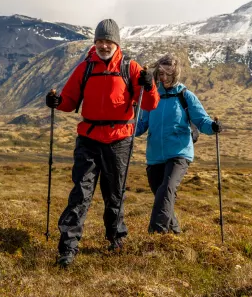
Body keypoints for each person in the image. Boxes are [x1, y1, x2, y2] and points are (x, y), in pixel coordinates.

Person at [45, 19, 159, 267]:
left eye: (108, 41)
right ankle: (68, 248)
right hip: (88, 138)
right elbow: (69, 100)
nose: (104, 45)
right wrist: (56, 102)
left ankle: (115, 239)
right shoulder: (85, 68)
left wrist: (149, 85)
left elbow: (150, 104)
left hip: (119, 140)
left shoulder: (131, 68)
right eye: (99, 41)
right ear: (95, 43)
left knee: (114, 193)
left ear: (116, 43)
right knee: (80, 194)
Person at [136, 54, 222, 234]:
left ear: (176, 74)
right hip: (154, 157)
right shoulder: (151, 97)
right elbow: (141, 124)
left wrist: (213, 127)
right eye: (160, 73)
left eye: (168, 73)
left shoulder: (185, 96)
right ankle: (176, 235)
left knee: (167, 189)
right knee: (162, 197)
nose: (164, 77)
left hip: (179, 153)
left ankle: (155, 237)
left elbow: (201, 120)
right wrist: (123, 131)